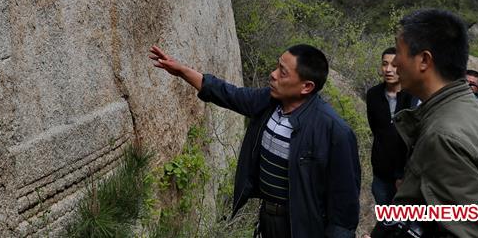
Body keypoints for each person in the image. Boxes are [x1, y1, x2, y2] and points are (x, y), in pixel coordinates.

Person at [150, 43, 360, 238]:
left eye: (283, 72)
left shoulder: (335, 132)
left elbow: (344, 208)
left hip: (303, 228)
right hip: (268, 220)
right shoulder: (269, 102)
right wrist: (182, 71)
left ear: (306, 86)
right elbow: (228, 94)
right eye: (277, 67)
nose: (273, 75)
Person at [371, 9, 478, 238]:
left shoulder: (444, 136)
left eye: (399, 52)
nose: (395, 63)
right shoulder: (474, 110)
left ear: (424, 60)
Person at [366, 47, 416, 205]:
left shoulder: (414, 97)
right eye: (384, 64)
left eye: (394, 65)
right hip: (381, 174)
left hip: (408, 178)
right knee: (385, 223)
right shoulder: (373, 95)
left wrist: (403, 175)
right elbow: (376, 129)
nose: (388, 69)